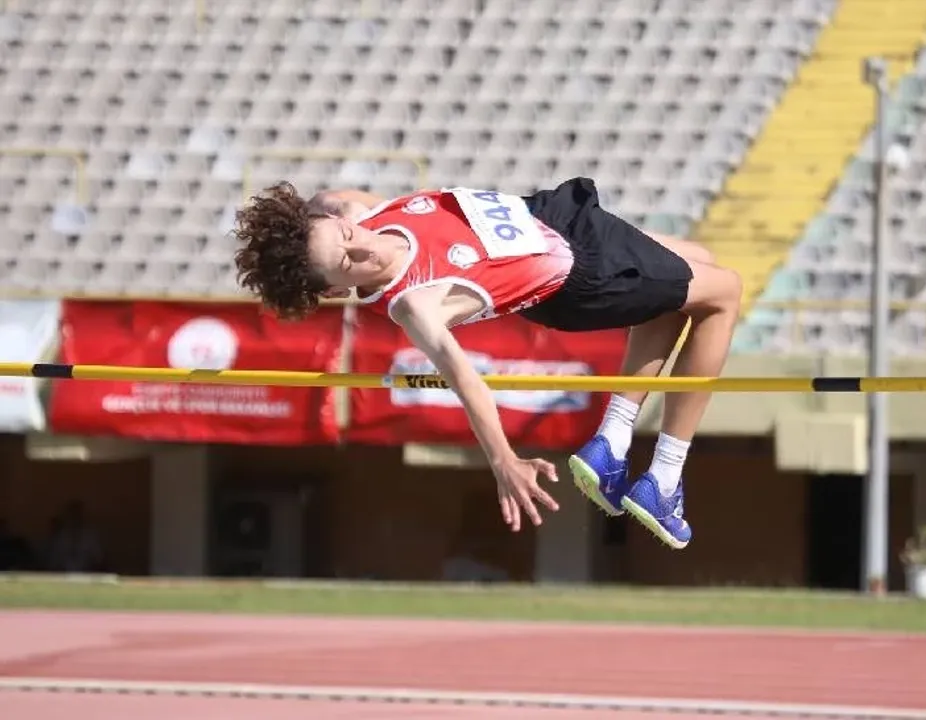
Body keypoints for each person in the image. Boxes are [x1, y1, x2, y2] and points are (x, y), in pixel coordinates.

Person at [231, 177, 742, 549]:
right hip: (581, 277)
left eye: (346, 235)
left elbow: (327, 202)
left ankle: (612, 443)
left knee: (698, 262)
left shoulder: (357, 213)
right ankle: (665, 477)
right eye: (347, 263)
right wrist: (504, 461)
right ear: (336, 291)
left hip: (550, 219)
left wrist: (298, 228)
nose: (363, 247)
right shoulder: (416, 304)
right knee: (724, 294)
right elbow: (467, 382)